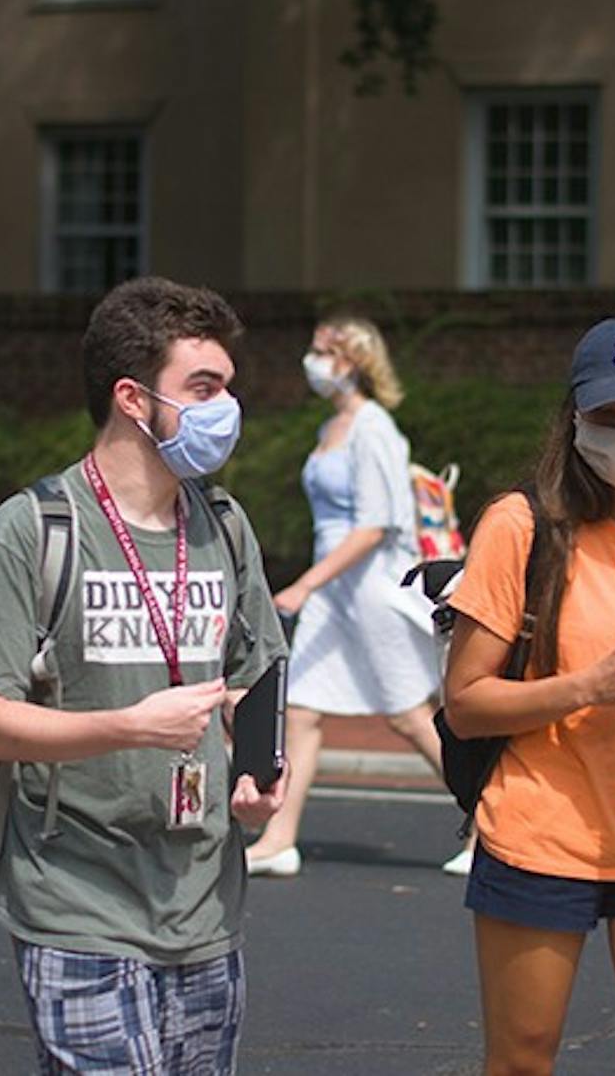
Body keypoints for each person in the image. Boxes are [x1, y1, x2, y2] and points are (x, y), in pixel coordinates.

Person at [0, 276, 289, 1075]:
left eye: (229, 387)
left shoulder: (225, 528)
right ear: (133, 398)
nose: (225, 407)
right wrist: (130, 725)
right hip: (77, 902)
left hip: (204, 903)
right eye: (203, 387)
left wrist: (263, 769)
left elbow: (252, 680)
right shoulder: (33, 529)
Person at [443, 315, 615, 1075]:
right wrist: (589, 686)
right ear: (574, 416)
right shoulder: (519, 525)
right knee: (523, 1061)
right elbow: (465, 700)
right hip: (541, 836)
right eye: (607, 416)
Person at [243, 312, 473, 878]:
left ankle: (494, 824)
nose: (314, 361)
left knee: (409, 716)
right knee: (298, 709)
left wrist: (302, 585)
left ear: (354, 361)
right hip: (336, 588)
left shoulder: (375, 430)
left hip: (369, 587)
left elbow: (374, 527)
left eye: (324, 351)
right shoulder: (332, 429)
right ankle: (279, 839)